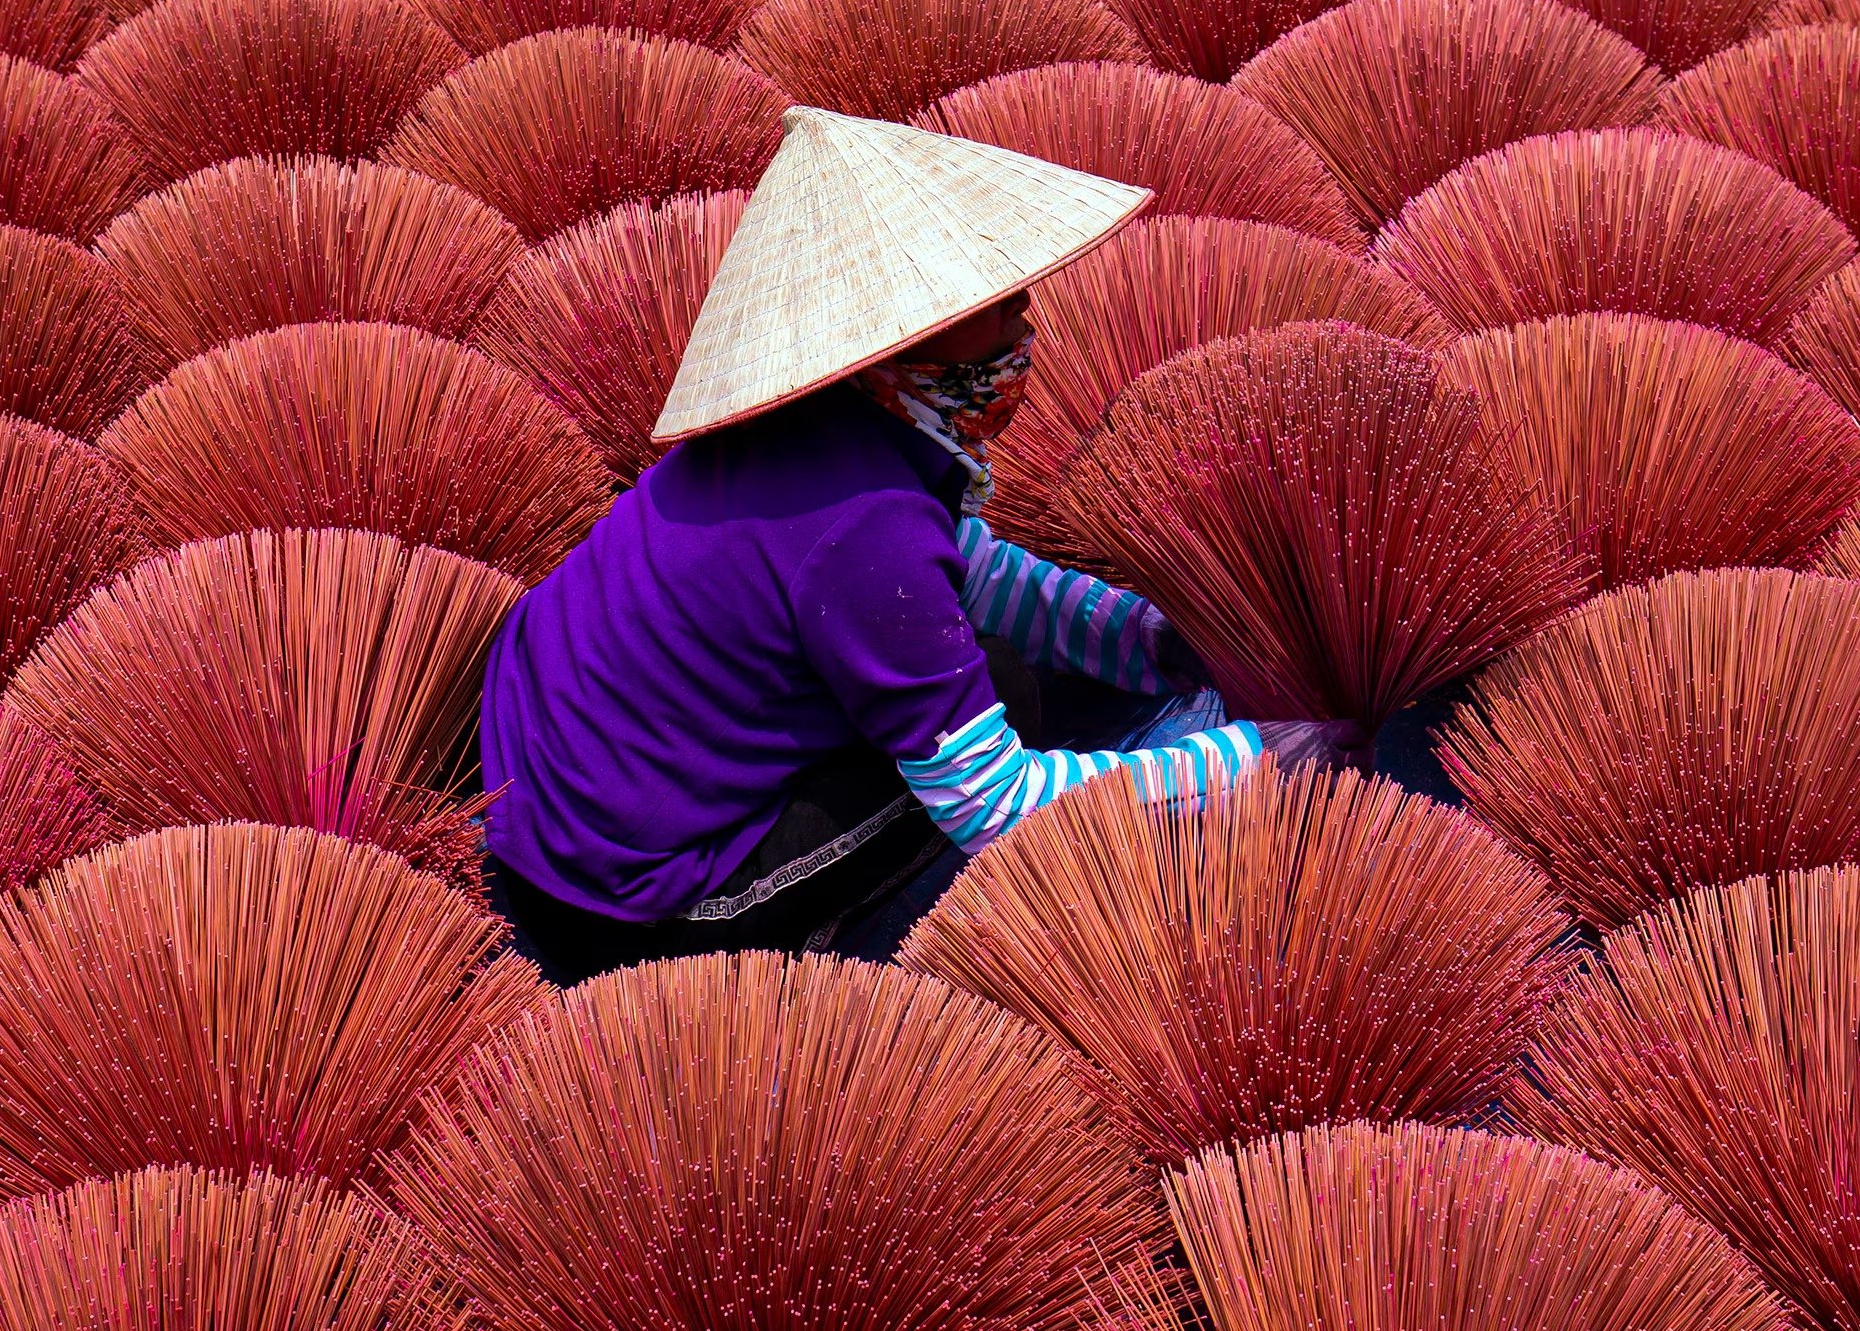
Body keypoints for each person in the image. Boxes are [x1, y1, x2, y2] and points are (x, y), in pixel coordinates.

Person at [477, 107, 1356, 984]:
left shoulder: (817, 426)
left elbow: (960, 574)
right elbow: (995, 808)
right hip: (627, 897)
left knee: (999, 677)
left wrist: (1155, 644)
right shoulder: (862, 528)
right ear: (901, 338)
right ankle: (809, 965)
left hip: (547, 795)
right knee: (989, 727)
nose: (1023, 321)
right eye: (990, 300)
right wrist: (1253, 761)